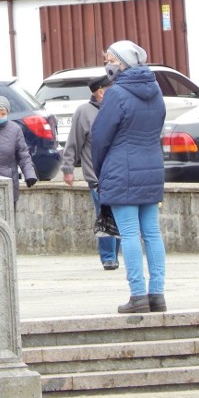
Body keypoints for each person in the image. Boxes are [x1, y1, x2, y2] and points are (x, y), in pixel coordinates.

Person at [92, 40, 167, 314]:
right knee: (152, 233)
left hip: (122, 172)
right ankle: (157, 293)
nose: (107, 63)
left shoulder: (117, 94)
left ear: (122, 63)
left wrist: (100, 170)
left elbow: (100, 136)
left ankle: (138, 295)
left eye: (109, 58)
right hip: (152, 168)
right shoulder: (156, 90)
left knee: (130, 235)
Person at [61, 75, 120, 270]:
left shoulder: (116, 109)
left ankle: (116, 253)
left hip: (119, 173)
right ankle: (109, 257)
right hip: (97, 176)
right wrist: (68, 168)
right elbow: (74, 142)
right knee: (104, 213)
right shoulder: (84, 112)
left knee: (119, 214)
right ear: (100, 91)